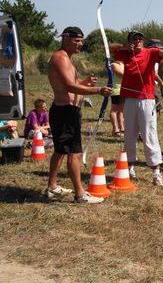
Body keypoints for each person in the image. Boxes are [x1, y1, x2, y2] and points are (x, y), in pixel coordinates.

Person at [45, 26, 112, 204]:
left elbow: (71, 83)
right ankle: (80, 194)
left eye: (81, 40)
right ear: (65, 38)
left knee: (60, 150)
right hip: (66, 112)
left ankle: (52, 187)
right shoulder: (61, 58)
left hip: (64, 111)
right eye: (77, 41)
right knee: (74, 153)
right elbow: (68, 87)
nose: (80, 44)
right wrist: (97, 89)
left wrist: (84, 83)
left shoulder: (66, 58)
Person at [113, 31, 163, 186]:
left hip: (147, 100)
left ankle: (156, 173)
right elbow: (109, 48)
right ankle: (129, 167)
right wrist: (125, 46)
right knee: (129, 134)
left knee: (149, 134)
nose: (138, 40)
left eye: (140, 38)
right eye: (134, 39)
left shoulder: (150, 52)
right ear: (130, 41)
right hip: (130, 100)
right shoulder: (125, 53)